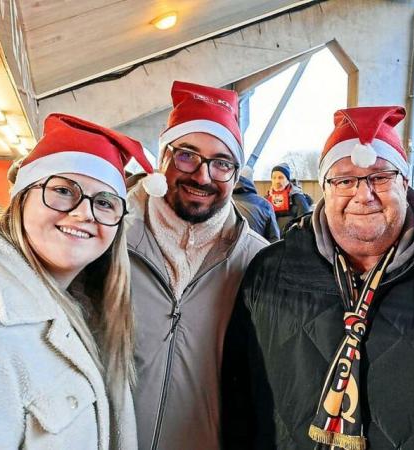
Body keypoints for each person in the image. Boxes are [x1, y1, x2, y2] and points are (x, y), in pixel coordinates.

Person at [223, 106, 414, 449]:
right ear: (326, 187)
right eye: (345, 180)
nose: (363, 194)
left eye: (380, 177)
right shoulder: (270, 271)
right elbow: (237, 393)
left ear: (405, 182)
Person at [0, 113, 162, 449]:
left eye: (103, 202)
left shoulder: (75, 298)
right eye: (62, 191)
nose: (83, 213)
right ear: (21, 197)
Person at [126, 81, 268, 449]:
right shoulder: (108, 243)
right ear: (163, 160)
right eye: (187, 155)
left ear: (235, 175)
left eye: (222, 163)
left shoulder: (259, 263)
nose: (203, 176)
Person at [233, 165, 280, 242]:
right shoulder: (265, 205)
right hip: (256, 252)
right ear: (251, 180)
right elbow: (274, 240)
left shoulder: (218, 201)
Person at [266, 162, 311, 232]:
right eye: (274, 178)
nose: (277, 181)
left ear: (287, 180)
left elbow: (305, 224)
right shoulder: (266, 200)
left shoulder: (298, 198)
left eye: (280, 177)